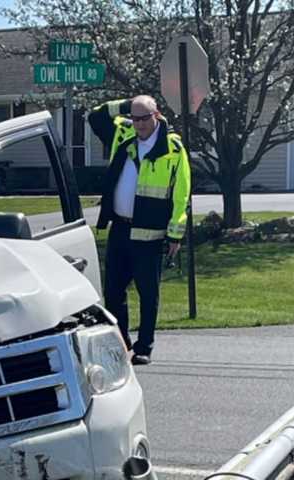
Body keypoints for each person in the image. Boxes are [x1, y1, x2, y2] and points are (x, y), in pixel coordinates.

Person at [88, 95, 191, 365]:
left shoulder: (173, 147)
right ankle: (121, 343)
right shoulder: (123, 133)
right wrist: (128, 104)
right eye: (135, 118)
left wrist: (175, 234)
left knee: (148, 294)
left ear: (156, 116)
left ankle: (144, 346)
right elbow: (95, 116)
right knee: (113, 291)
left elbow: (182, 193)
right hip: (120, 228)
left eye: (144, 118)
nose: (139, 124)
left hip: (151, 232)